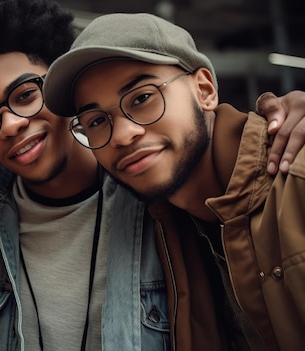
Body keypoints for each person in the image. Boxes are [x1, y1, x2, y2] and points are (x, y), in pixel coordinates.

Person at [44, 12, 305, 351]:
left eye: (142, 98)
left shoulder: (294, 179)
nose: (122, 135)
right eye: (95, 120)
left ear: (204, 90)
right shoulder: (162, 225)